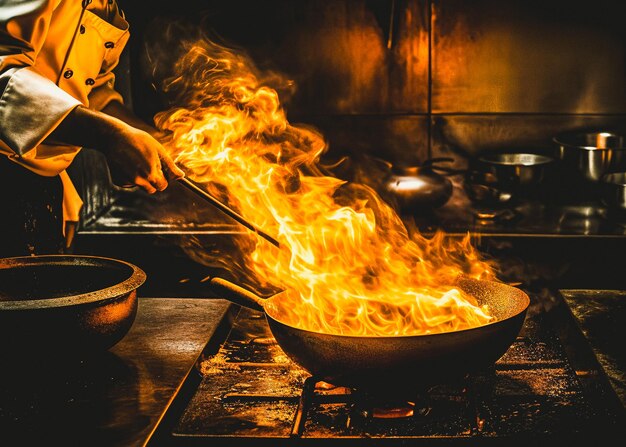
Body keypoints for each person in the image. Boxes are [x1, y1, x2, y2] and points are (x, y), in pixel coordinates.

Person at [0, 0, 184, 257]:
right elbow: (4, 78)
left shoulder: (107, 7)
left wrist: (159, 141)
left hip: (37, 180)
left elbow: (92, 92)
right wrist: (111, 136)